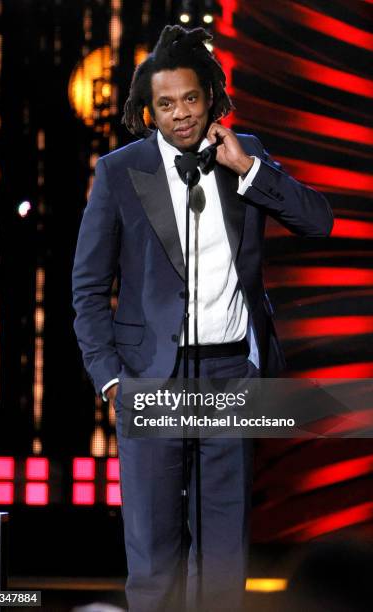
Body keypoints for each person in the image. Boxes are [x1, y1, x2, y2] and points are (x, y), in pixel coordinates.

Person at [72, 25, 333, 612]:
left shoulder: (247, 156)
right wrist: (111, 377)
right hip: (151, 378)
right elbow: (88, 287)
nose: (181, 114)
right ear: (149, 111)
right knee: (154, 556)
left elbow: (320, 222)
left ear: (210, 98)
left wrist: (247, 169)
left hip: (230, 375)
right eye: (165, 104)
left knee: (222, 560)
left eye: (190, 99)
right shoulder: (120, 171)